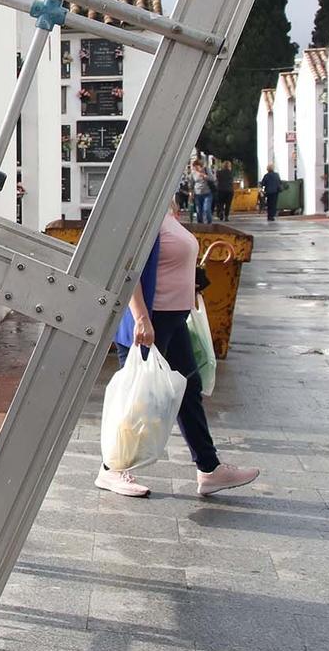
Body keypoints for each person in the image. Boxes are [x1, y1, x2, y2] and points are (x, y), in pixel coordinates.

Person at [96, 199, 260, 499]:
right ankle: (110, 470)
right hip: (150, 321)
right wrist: (142, 318)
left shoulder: (165, 209)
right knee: (138, 397)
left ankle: (209, 470)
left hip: (174, 318)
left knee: (188, 391)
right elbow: (128, 267)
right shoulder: (144, 211)